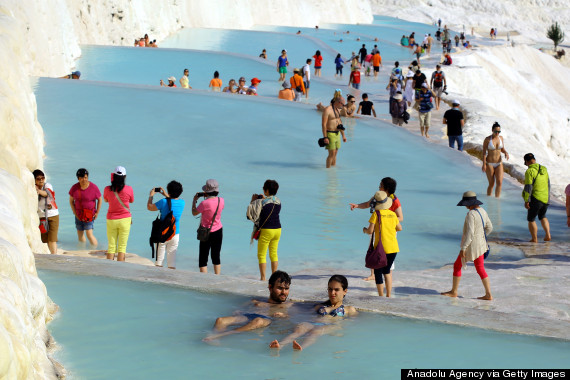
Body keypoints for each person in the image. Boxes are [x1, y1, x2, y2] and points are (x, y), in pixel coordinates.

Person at [269, 275, 357, 351]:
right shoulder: (319, 306)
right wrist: (285, 315)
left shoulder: (349, 309)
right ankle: (280, 345)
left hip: (331, 326)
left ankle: (301, 348)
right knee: (301, 327)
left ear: (345, 291)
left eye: (336, 290)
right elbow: (305, 313)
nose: (332, 293)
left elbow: (353, 322)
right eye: (330, 289)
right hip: (313, 322)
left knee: (316, 331)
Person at [204, 271, 292, 342]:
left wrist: (283, 316)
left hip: (266, 319)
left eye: (286, 289)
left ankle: (220, 335)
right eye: (280, 288)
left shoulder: (288, 305)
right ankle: (216, 340)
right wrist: (238, 311)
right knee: (220, 321)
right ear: (270, 287)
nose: (284, 292)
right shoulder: (257, 300)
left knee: (258, 321)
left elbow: (293, 318)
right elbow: (241, 308)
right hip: (248, 316)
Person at [349, 177, 404, 282]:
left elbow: (400, 217)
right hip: (375, 228)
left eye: (380, 185)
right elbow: (367, 204)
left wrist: (385, 220)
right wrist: (357, 206)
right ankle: (373, 274)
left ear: (386, 188)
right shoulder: (378, 196)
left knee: (388, 252)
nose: (379, 187)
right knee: (374, 251)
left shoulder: (395, 200)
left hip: (389, 231)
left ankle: (388, 275)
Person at [441, 191, 493, 301]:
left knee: (457, 266)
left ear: (469, 203)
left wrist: (464, 248)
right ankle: (488, 294)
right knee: (480, 268)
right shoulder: (483, 211)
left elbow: (470, 233)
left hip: (471, 246)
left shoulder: (471, 214)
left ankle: (454, 291)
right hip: (481, 245)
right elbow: (489, 228)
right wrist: (481, 237)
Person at [363, 191, 402, 297]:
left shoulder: (376, 214)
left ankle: (381, 296)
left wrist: (365, 230)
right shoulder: (393, 214)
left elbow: (370, 231)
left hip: (381, 249)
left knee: (378, 272)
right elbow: (399, 228)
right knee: (387, 271)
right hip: (393, 248)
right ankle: (388, 295)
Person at [247, 180, 282, 281]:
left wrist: (253, 201)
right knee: (273, 253)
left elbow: (251, 216)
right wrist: (263, 199)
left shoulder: (261, 202)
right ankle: (275, 278)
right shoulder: (278, 201)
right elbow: (269, 206)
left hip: (267, 230)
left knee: (262, 254)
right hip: (278, 229)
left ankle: (263, 278)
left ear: (266, 190)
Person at [148, 180, 185, 269]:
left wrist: (151, 196)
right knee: (172, 263)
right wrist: (166, 195)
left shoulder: (163, 202)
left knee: (159, 262)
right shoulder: (182, 203)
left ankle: (158, 280)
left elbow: (150, 207)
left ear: (168, 191)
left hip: (162, 233)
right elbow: (172, 201)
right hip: (175, 234)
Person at [192, 179, 224, 274]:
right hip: (218, 230)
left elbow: (194, 213)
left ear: (206, 191)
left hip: (205, 232)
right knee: (216, 256)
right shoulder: (221, 200)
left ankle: (204, 280)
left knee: (203, 258)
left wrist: (194, 201)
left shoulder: (204, 203)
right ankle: (217, 277)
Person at [103, 166, 134, 262]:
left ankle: (109, 270)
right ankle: (120, 270)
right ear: (125, 177)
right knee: (122, 247)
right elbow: (131, 200)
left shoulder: (107, 189)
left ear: (113, 176)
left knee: (111, 246)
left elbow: (105, 200)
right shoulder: (129, 189)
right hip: (125, 219)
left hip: (111, 219)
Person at [522, 153, 551, 242]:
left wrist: (527, 200)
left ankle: (534, 238)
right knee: (543, 216)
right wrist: (548, 197)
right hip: (545, 198)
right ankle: (548, 235)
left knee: (531, 219)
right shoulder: (544, 169)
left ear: (527, 162)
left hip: (536, 198)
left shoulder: (529, 171)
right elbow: (548, 184)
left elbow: (528, 187)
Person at [69, 168, 101, 246]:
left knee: (89, 234)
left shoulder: (93, 187)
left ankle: (95, 249)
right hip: (78, 215)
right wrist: (75, 212)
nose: (84, 180)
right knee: (80, 236)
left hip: (89, 214)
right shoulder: (74, 188)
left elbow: (100, 199)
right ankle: (82, 251)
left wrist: (97, 212)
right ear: (78, 179)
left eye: (86, 177)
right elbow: (71, 201)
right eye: (82, 178)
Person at [33, 169, 59, 254]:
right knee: (47, 239)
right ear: (34, 180)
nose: (41, 180)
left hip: (53, 215)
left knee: (52, 239)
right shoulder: (33, 188)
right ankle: (53, 254)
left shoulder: (47, 185)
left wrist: (38, 191)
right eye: (38, 179)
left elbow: (47, 193)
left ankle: (54, 256)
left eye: (42, 178)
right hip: (42, 217)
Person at [482, 122, 510, 197]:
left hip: (499, 163)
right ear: (492, 130)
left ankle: (497, 200)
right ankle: (488, 199)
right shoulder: (487, 139)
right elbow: (484, 152)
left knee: (499, 182)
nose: (497, 133)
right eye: (495, 131)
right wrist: (484, 164)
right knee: (491, 184)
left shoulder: (501, 138)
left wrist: (506, 153)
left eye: (499, 131)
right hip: (489, 163)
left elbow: (502, 149)